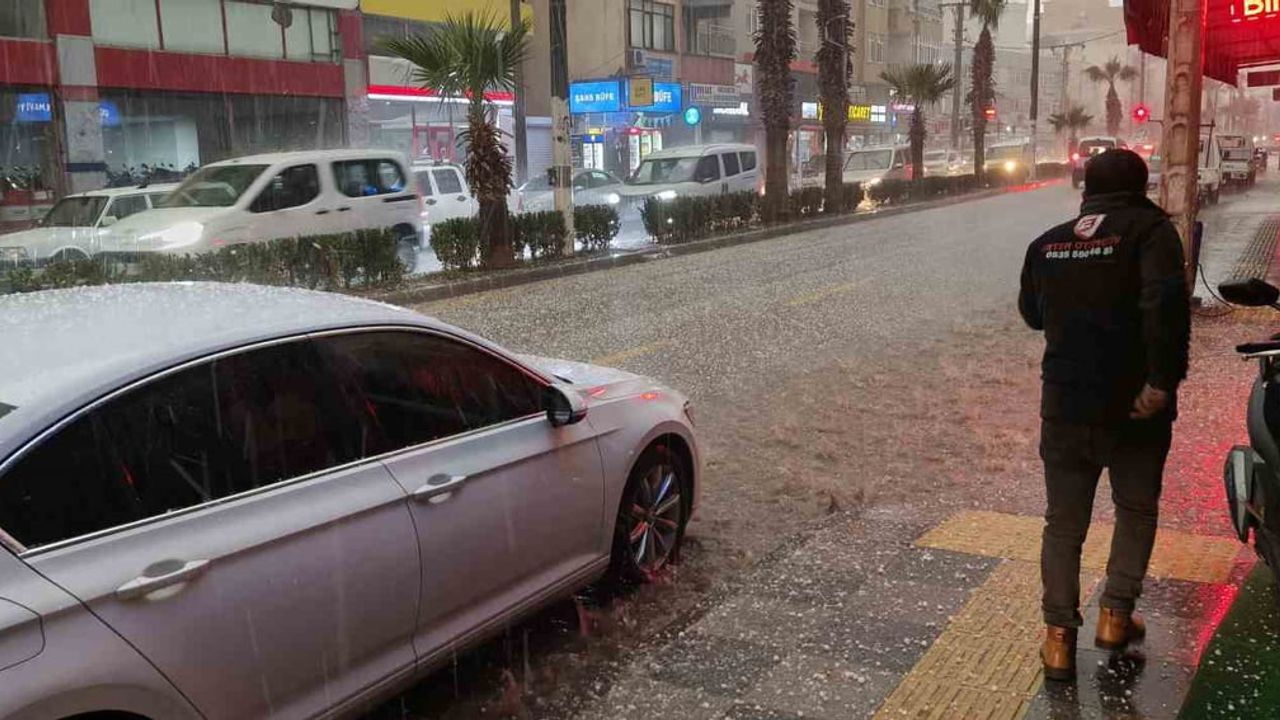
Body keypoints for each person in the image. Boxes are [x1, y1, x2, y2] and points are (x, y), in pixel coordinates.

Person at [1018, 148, 1190, 681]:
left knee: (1063, 524)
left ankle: (1057, 642)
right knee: (1135, 510)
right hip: (1134, 407)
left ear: (1086, 188)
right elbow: (1165, 306)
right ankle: (1115, 617)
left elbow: (1031, 315)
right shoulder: (1151, 232)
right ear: (1142, 186)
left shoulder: (1048, 242)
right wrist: (1162, 381)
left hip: (1065, 404)